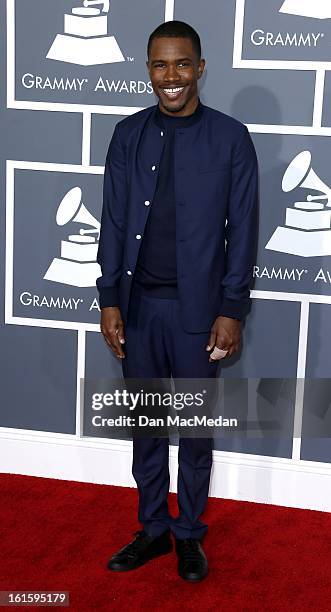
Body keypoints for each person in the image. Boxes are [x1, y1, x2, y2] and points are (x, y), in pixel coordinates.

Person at [96, 20, 258, 582]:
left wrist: (232, 310)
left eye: (182, 64)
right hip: (138, 310)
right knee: (145, 427)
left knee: (192, 430)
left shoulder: (231, 138)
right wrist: (109, 298)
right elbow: (113, 221)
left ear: (201, 67)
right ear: (148, 70)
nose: (172, 77)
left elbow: (244, 231)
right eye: (161, 65)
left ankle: (189, 532)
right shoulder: (127, 134)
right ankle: (152, 529)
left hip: (198, 316)